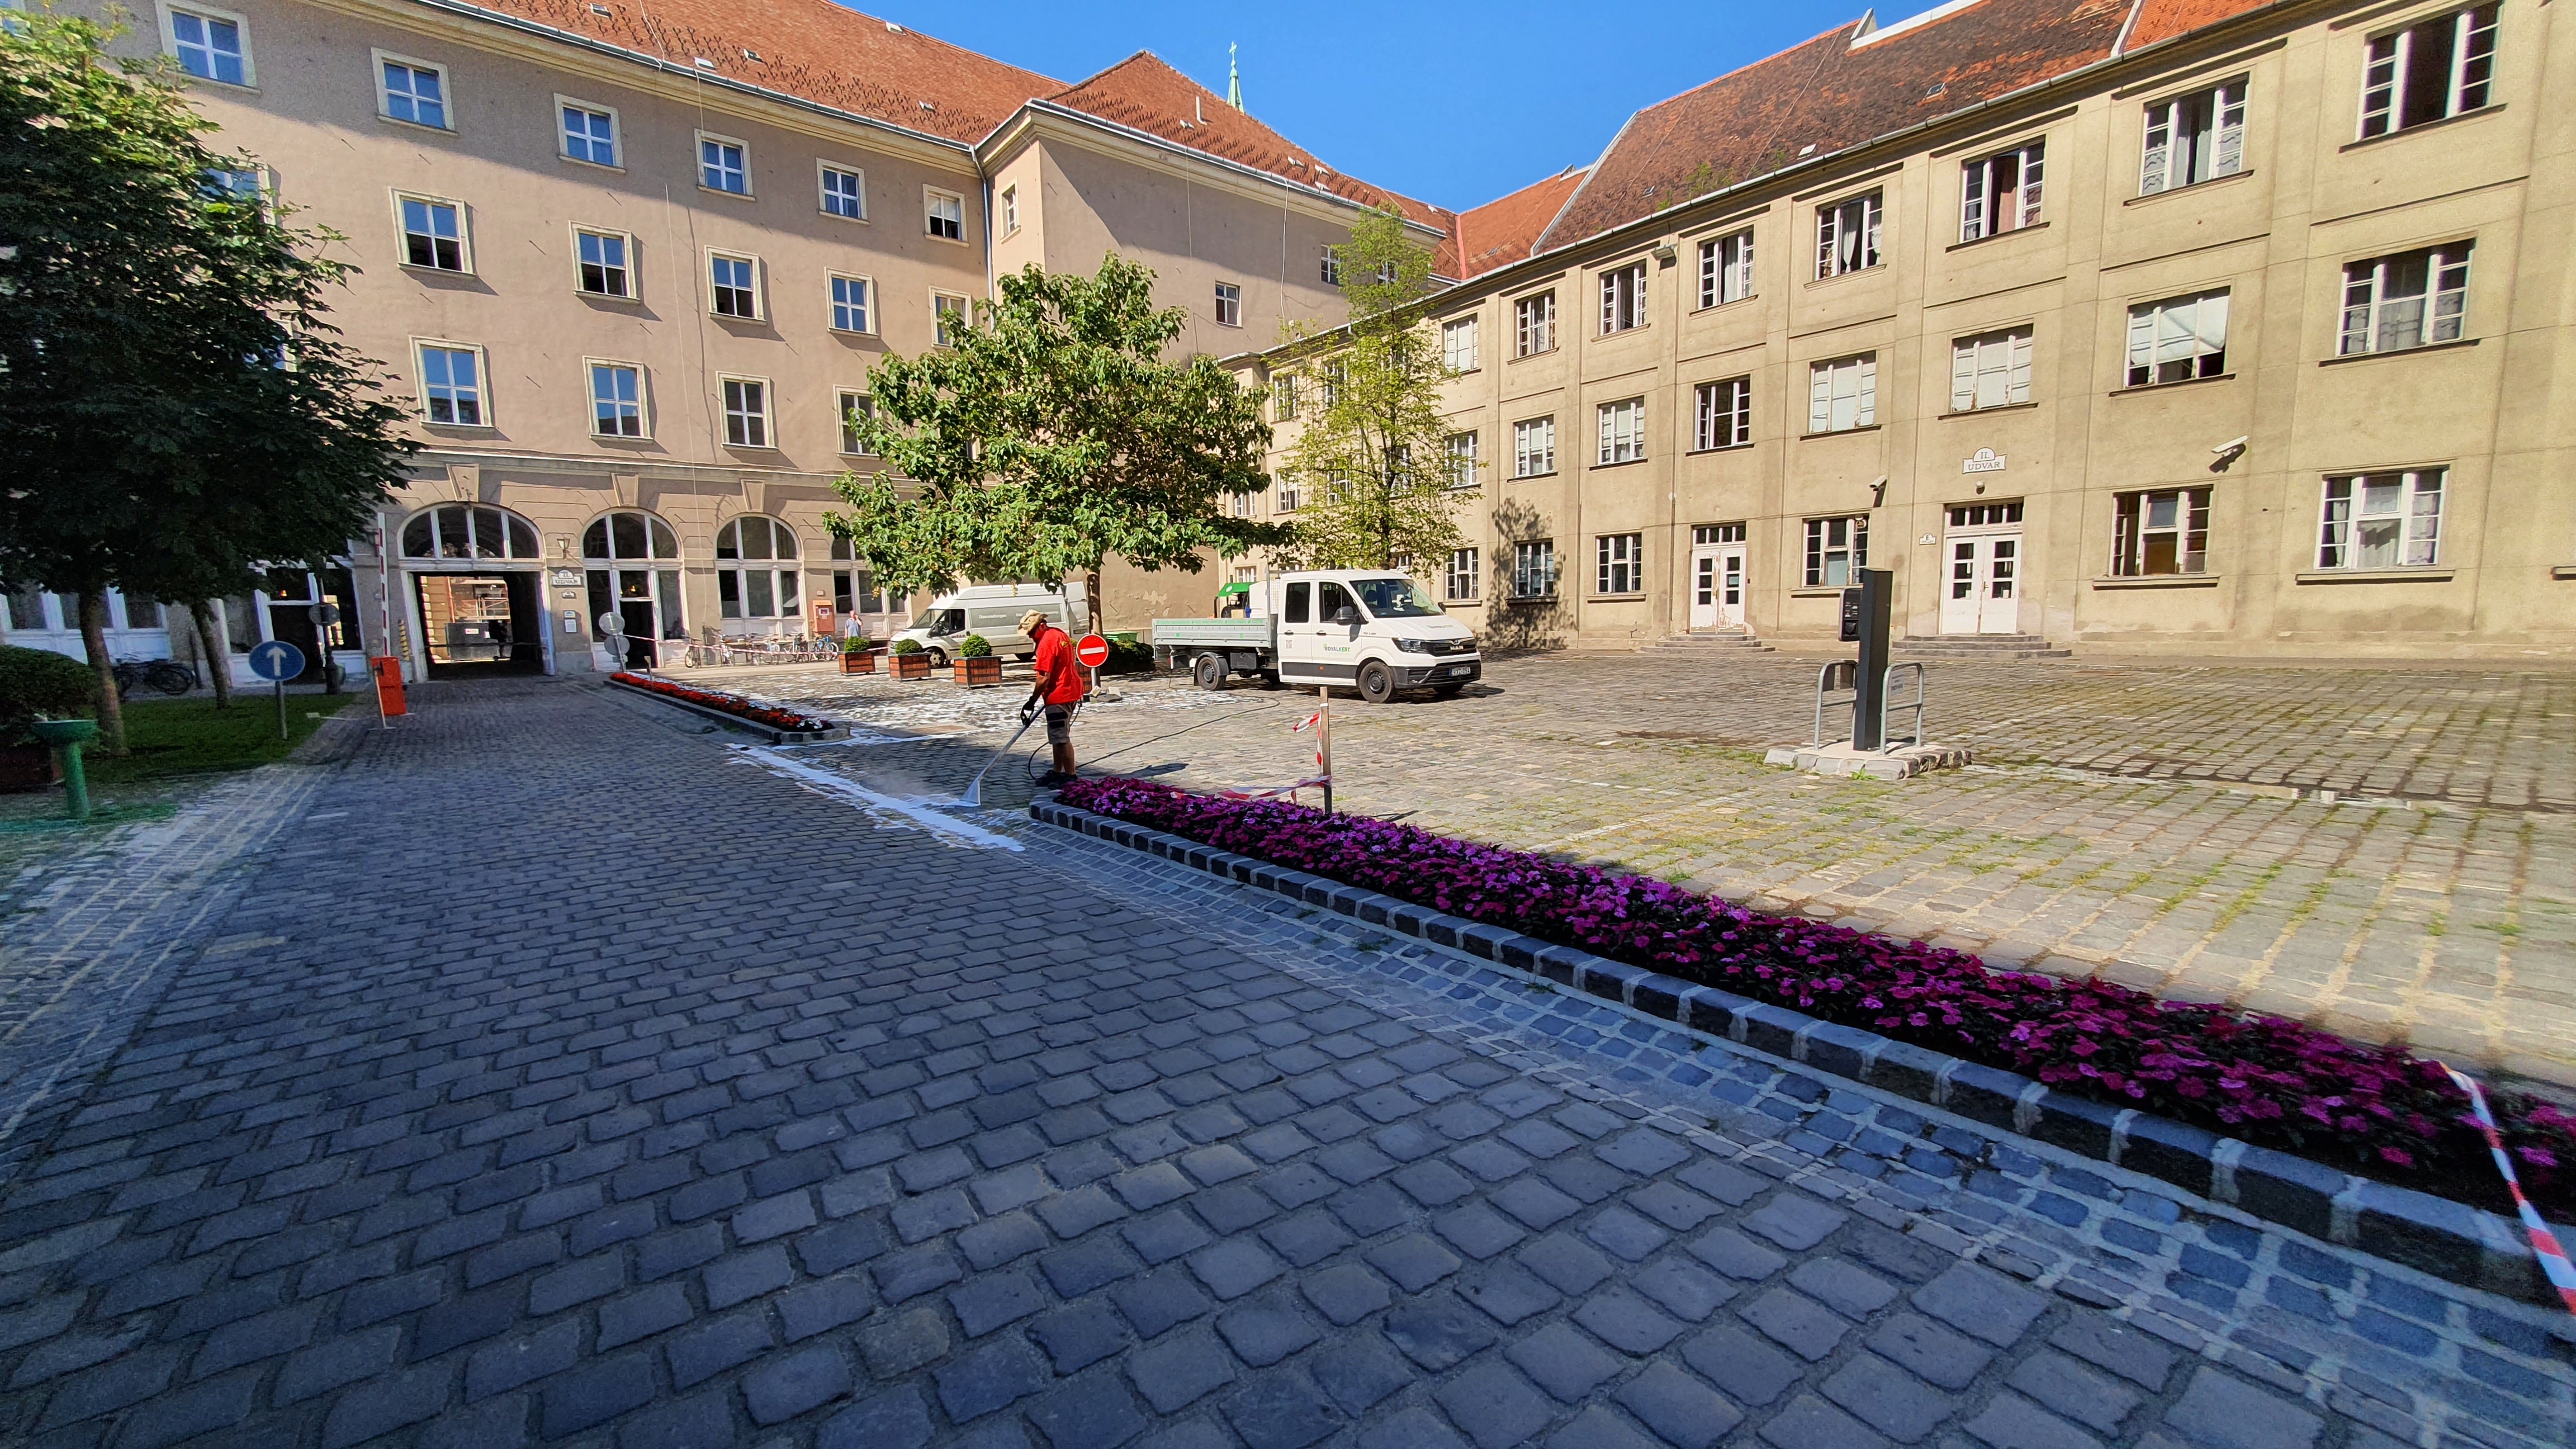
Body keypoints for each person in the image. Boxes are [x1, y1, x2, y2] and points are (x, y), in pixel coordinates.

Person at [1021, 608, 1085, 786]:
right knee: (1057, 737)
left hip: (1060, 694)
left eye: (1032, 632)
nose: (1030, 636)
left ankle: (1071, 776)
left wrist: (1032, 701)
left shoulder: (1046, 644)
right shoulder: (1058, 634)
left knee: (1061, 738)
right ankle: (1058, 772)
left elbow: (1043, 678)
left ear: (1041, 626)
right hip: (1070, 690)